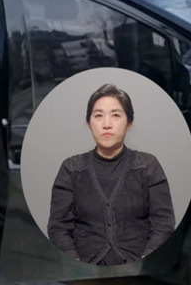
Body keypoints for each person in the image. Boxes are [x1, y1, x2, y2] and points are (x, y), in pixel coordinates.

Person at [47, 83, 175, 266]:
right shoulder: (72, 169)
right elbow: (58, 227)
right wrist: (76, 263)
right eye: (98, 116)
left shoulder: (147, 166)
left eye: (116, 115)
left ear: (129, 123)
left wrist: (145, 261)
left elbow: (163, 223)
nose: (107, 124)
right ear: (89, 124)